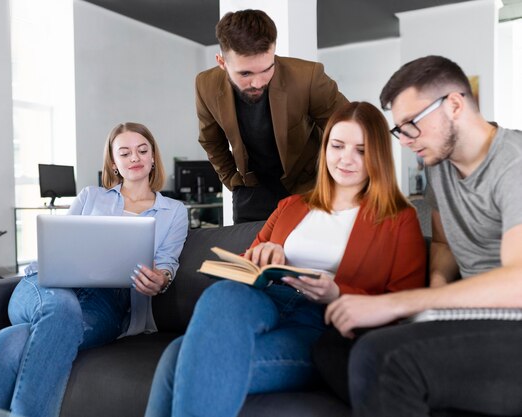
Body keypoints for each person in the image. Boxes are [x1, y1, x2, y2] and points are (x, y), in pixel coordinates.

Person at [144, 101, 426, 417]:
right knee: (222, 294)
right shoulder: (291, 206)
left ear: (379, 156)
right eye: (337, 145)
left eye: (361, 150)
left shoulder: (398, 219)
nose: (346, 158)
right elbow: (244, 264)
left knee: (177, 357)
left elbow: (404, 302)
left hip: (319, 323)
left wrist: (337, 292)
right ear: (326, 148)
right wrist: (262, 256)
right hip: (264, 299)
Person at [324, 56, 522, 416]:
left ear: (455, 105)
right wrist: (435, 292)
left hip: (514, 324)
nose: (404, 141)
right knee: (333, 346)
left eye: (411, 124)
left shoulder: (514, 163)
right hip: (475, 318)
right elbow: (445, 244)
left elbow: (518, 283)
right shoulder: (440, 167)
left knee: (381, 358)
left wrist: (402, 303)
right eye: (399, 130)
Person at [0, 122, 188, 417]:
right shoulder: (90, 196)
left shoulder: (173, 211)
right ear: (114, 162)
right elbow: (59, 244)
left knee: (10, 341)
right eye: (125, 152)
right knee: (62, 307)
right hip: (46, 286)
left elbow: (167, 264)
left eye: (142, 150)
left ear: (152, 157)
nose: (134, 158)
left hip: (107, 305)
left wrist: (161, 279)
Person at [196, 9, 348, 223]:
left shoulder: (308, 77)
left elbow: (350, 129)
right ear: (222, 62)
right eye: (245, 74)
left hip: (307, 186)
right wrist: (232, 180)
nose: (258, 83)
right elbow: (211, 140)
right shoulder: (206, 85)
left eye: (267, 69)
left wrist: (335, 181)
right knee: (249, 256)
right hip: (252, 192)